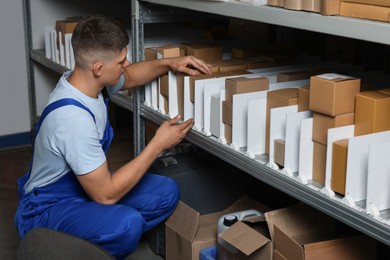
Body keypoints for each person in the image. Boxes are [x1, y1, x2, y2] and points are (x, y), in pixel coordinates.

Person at [15, 15, 212, 259]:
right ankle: (71, 245)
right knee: (126, 225)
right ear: (98, 68)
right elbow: (105, 194)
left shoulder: (87, 82)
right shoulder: (72, 119)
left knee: (165, 192)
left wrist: (171, 63)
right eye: (121, 60)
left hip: (83, 191)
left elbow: (129, 76)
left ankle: (102, 230)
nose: (126, 63)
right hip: (48, 209)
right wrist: (158, 144)